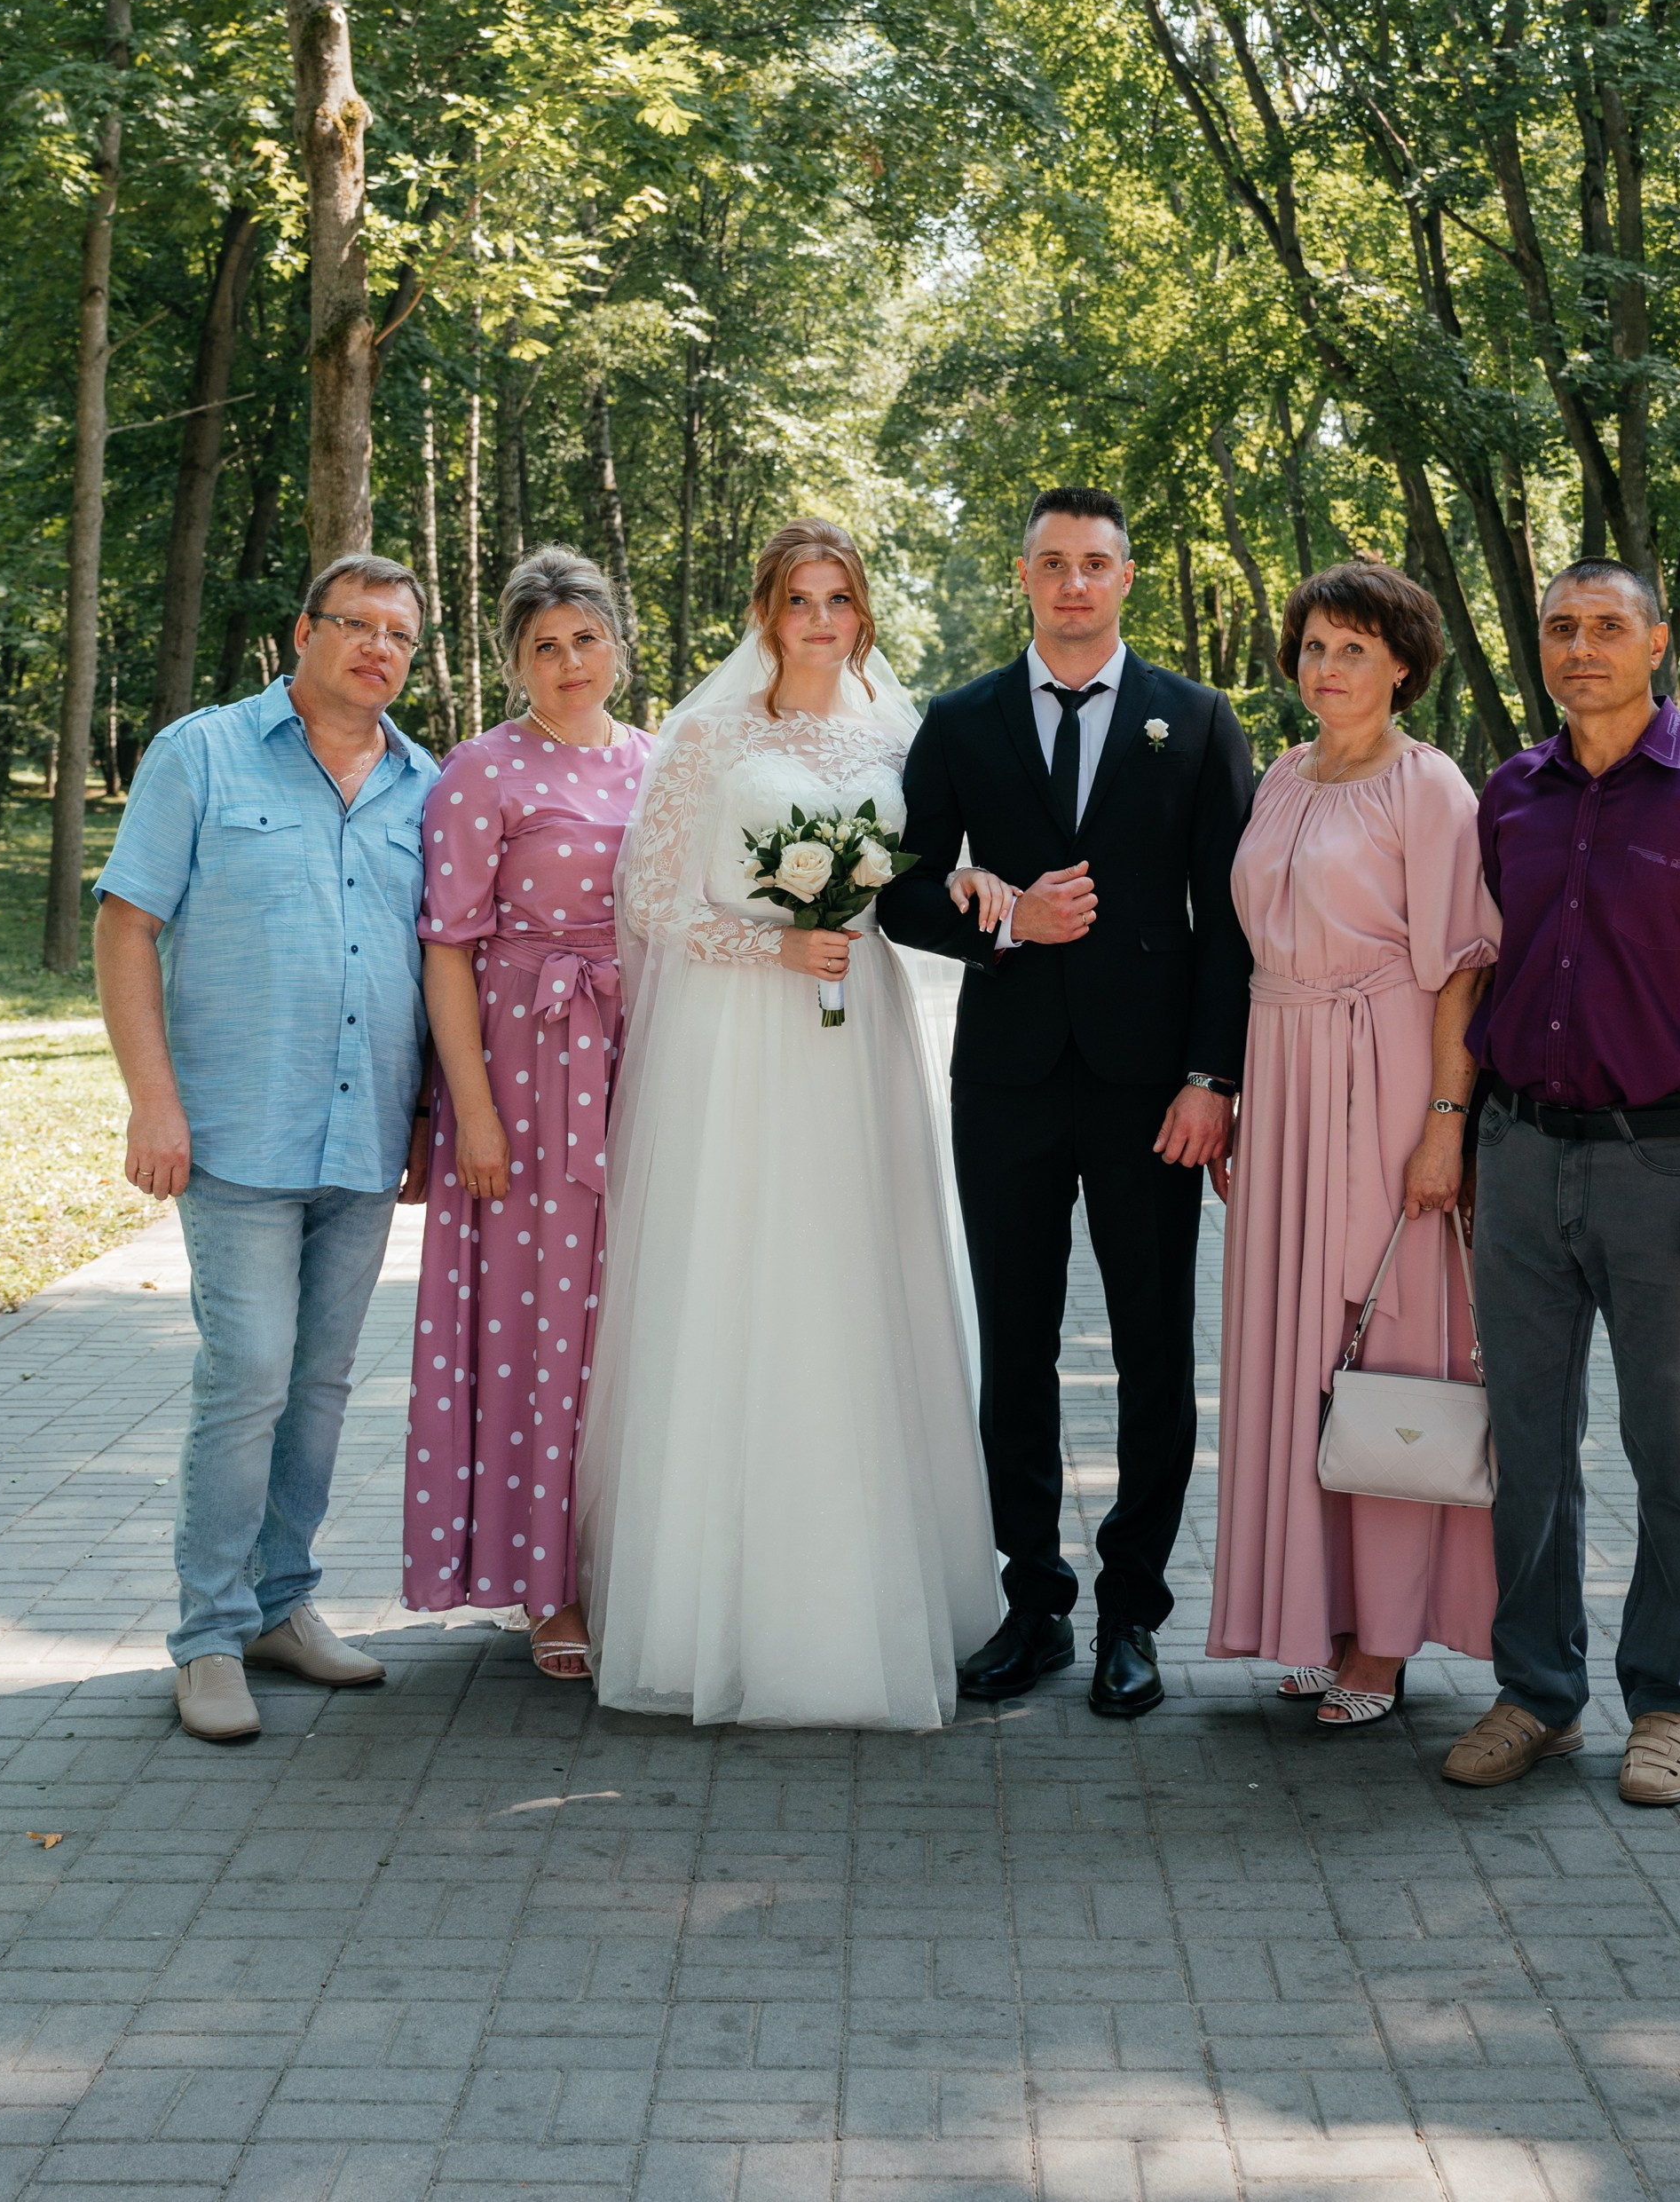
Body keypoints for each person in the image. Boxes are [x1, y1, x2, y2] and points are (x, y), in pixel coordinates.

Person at [579, 522, 1002, 1728]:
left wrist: (966, 884)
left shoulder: (897, 730)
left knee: (856, 1278)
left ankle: (877, 1590)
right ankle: (720, 1607)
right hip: (740, 1037)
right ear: (766, 610)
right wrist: (771, 944)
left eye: (839, 598)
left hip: (857, 1026)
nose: (821, 617)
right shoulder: (710, 732)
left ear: (864, 611)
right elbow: (652, 899)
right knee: (744, 1276)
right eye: (799, 599)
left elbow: (933, 868)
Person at [879, 486, 1255, 1720]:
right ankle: (1032, 1599)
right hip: (1009, 1078)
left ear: (1128, 577)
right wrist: (1005, 921)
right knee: (1019, 1344)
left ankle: (1132, 1611)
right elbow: (904, 890)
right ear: (1024, 576)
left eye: (1097, 562)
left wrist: (1213, 1077)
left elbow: (1232, 923)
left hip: (1156, 1090)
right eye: (1054, 563)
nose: (1075, 582)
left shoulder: (1197, 720)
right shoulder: (964, 716)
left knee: (1154, 1347)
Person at [1441, 560, 1680, 1807]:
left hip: (1669, 1166)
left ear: (1659, 639)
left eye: (1609, 626)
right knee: (1531, 1449)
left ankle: (1670, 1702)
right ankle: (1539, 1695)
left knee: (1677, 1449)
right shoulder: (1511, 793)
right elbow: (1480, 973)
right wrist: (1470, 1136)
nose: (1583, 647)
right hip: (1521, 1151)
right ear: (1539, 647)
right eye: (1562, 627)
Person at [94, 556, 438, 1746]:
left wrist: (433, 1114)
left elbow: (440, 965)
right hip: (235, 1123)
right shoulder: (202, 753)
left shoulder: (421, 783)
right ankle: (205, 1633)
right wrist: (153, 1099)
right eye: (358, 625)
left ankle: (283, 1602)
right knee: (247, 1366)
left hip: (365, 1129)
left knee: (322, 1382)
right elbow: (127, 922)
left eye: (402, 634)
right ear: (305, 630)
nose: (380, 650)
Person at [1205, 562, 1500, 1724]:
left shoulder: (1429, 787)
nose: (1328, 667)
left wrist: (1444, 1125)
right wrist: (1231, 1096)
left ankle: (1383, 1640)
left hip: (1383, 1080)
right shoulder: (1281, 774)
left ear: (1404, 667)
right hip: (1282, 1075)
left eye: (1355, 649)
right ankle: (1313, 1611)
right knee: (1295, 1342)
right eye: (1316, 644)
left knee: (1384, 1339)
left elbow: (1460, 971)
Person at [401, 547, 654, 1675]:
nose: (568, 662)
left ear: (618, 645)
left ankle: (628, 1562)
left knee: (628, 1329)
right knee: (544, 1328)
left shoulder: (661, 762)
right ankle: (546, 1588)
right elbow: (447, 946)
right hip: (525, 1072)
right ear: (514, 661)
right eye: (544, 645)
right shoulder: (480, 771)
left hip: (643, 1061)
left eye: (585, 639)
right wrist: (476, 1115)